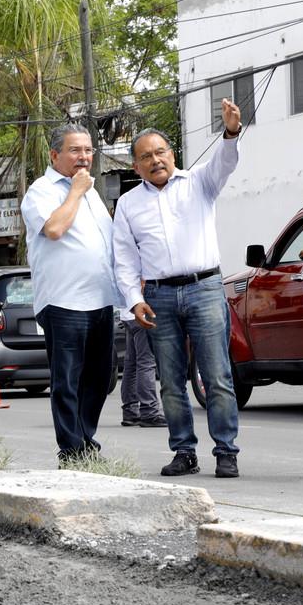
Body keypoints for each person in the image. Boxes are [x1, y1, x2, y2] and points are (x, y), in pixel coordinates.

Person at [113, 99, 243, 478]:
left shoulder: (200, 182)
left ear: (172, 154)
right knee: (170, 382)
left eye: (161, 152)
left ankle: (226, 451)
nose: (156, 160)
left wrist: (231, 133)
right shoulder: (128, 204)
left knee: (216, 376)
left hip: (204, 288)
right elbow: (124, 259)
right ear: (135, 166)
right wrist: (134, 300)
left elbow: (226, 163)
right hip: (158, 297)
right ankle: (184, 451)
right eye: (146, 157)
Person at [20, 123, 120, 466]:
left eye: (89, 150)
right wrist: (75, 191)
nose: (84, 157)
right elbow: (54, 229)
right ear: (55, 155)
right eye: (75, 150)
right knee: (67, 379)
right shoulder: (42, 190)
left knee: (101, 377)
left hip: (101, 299)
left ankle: (85, 439)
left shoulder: (91, 191)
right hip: (64, 302)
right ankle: (72, 450)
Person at [119, 306, 165, 427]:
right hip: (142, 315)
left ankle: (130, 411)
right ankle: (149, 411)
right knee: (146, 363)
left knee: (131, 365)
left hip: (128, 315)